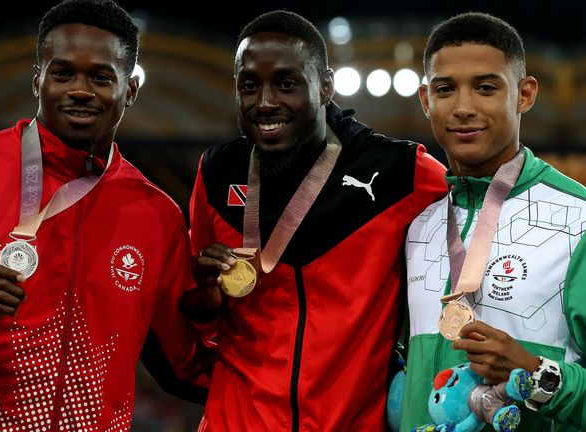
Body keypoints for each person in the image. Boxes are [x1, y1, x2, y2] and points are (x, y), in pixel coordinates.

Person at [0, 0, 214, 430]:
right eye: (62, 73)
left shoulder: (156, 216)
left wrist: (217, 307)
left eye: (100, 76)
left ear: (130, 90)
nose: (80, 89)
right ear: (37, 80)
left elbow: (189, 364)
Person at [180, 9, 448, 431]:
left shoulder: (399, 173)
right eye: (249, 85)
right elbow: (192, 307)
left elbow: (480, 206)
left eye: (286, 83)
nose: (265, 102)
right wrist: (205, 298)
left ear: (325, 86)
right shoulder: (216, 173)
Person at [400, 11, 586, 431]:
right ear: (426, 101)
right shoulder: (419, 227)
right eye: (446, 89)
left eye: (485, 88)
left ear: (525, 94)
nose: (463, 107)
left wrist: (536, 374)